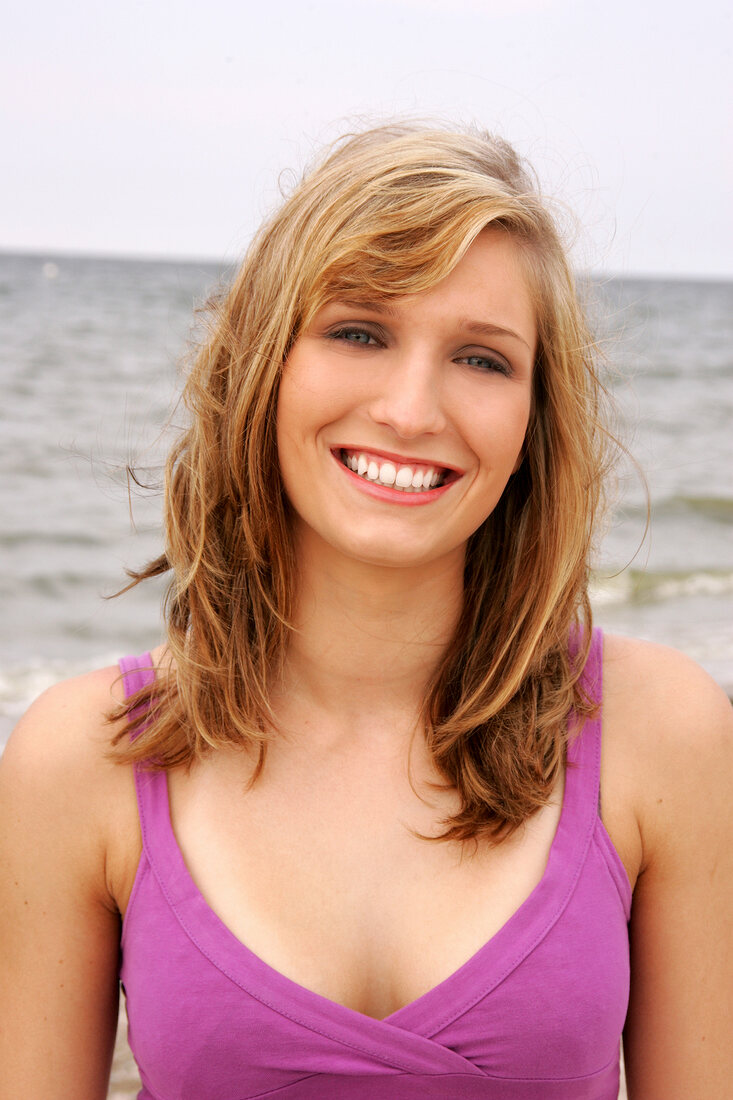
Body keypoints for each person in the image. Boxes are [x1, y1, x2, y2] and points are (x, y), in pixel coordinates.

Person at [1, 123, 731, 1100]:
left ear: (532, 420)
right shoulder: (83, 759)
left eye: (481, 358)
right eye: (358, 332)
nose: (410, 408)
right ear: (264, 364)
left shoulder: (665, 735)